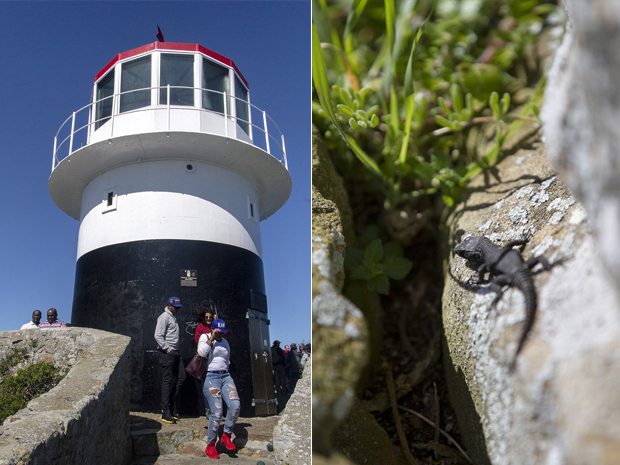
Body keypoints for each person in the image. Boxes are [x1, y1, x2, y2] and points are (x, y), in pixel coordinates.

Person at [197, 318, 240, 459]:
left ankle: (227, 434)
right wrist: (212, 338)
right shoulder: (205, 337)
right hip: (212, 378)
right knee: (217, 412)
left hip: (225, 376)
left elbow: (227, 360)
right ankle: (210, 445)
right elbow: (202, 353)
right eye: (218, 332)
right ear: (213, 330)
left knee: (235, 405)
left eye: (222, 333)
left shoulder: (225, 342)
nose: (221, 335)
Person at [154, 297, 186, 424]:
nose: (178, 309)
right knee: (167, 380)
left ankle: (171, 406)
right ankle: (165, 410)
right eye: (176, 307)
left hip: (176, 352)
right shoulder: (164, 317)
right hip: (168, 353)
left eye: (179, 307)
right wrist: (167, 349)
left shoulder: (173, 317)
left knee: (181, 377)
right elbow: (158, 335)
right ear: (169, 305)